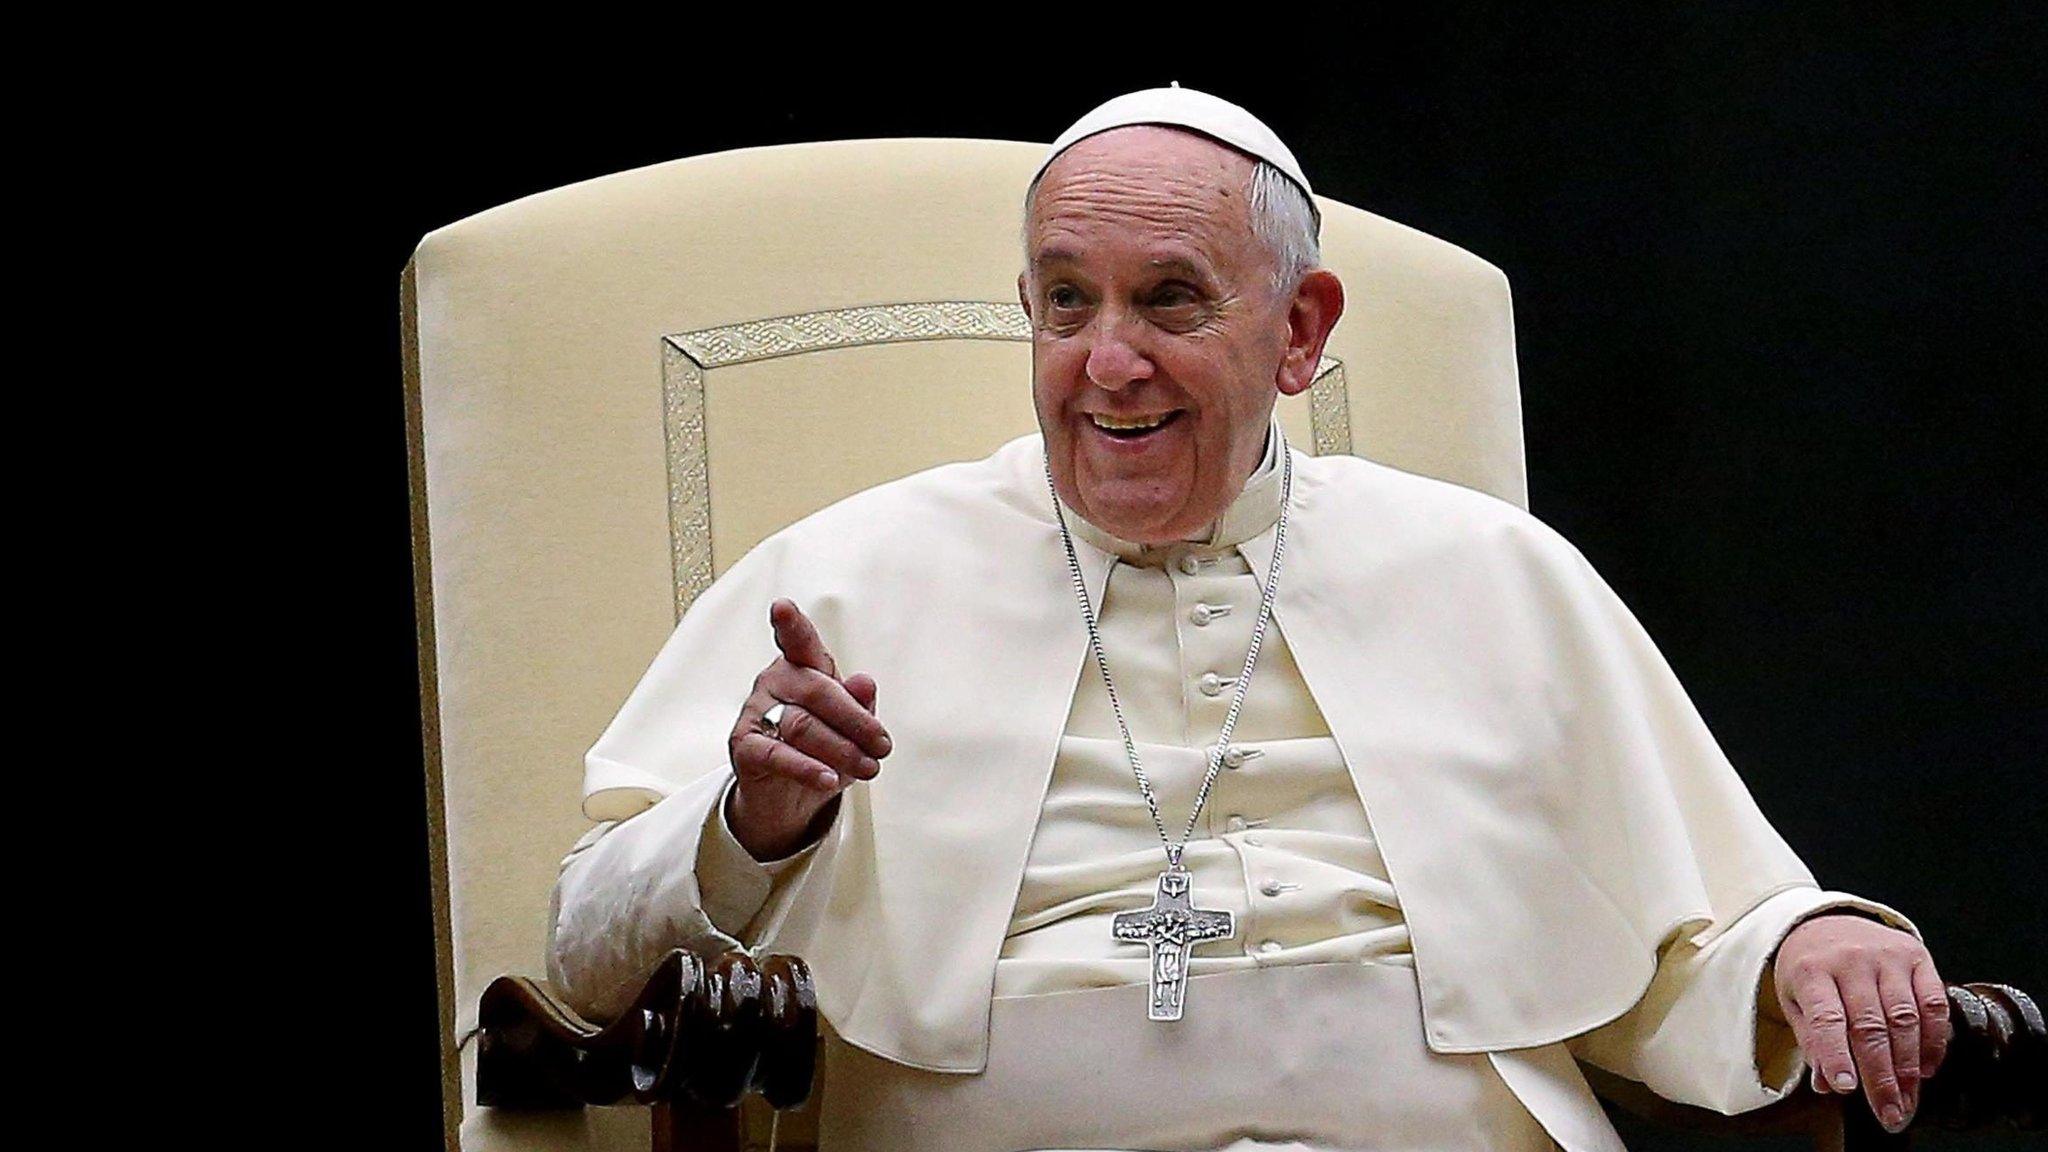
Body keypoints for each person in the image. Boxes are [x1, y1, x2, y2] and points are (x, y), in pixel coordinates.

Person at [546, 86, 1947, 1151]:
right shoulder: (850, 574)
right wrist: (751, 824)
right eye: (1066, 303)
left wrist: (1810, 942)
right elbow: (585, 953)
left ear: (1300, 330)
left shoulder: (1489, 572)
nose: (1109, 363)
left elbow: (1698, 933)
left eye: (1170, 302)